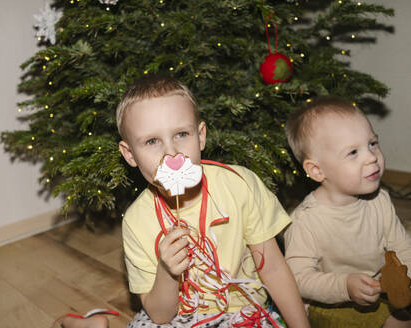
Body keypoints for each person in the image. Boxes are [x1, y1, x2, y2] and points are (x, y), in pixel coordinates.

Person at [62, 74, 309, 328]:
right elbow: (160, 316)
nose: (172, 154)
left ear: (200, 136)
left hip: (244, 315)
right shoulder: (138, 221)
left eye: (181, 134)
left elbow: (275, 270)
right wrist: (167, 273)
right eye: (151, 141)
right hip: (178, 319)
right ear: (130, 154)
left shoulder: (240, 185)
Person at [283, 96, 411, 328]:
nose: (372, 157)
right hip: (330, 302)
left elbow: (401, 247)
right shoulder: (305, 221)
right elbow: (298, 279)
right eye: (353, 152)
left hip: (381, 288)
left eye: (372, 143)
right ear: (317, 170)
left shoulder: (379, 200)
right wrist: (345, 286)